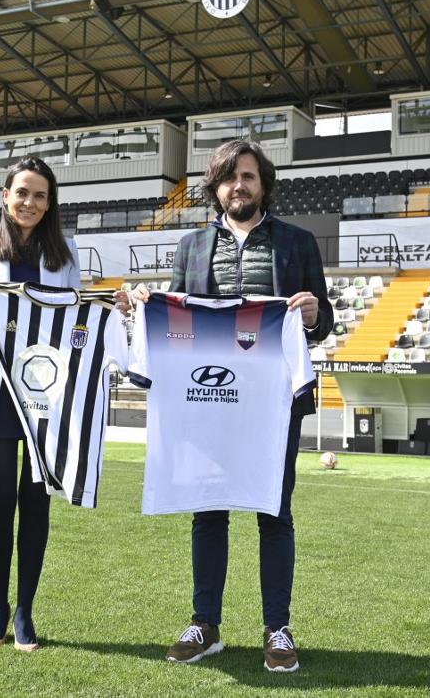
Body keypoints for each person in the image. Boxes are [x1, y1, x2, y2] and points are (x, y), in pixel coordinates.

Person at [116, 138, 332, 673]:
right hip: (206, 403)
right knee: (207, 512)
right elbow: (174, 322)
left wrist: (310, 315)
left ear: (264, 185)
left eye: (250, 176)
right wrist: (144, 307)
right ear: (216, 187)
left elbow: (323, 324)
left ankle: (277, 629)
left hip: (272, 406)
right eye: (230, 177)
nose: (240, 185)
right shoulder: (190, 247)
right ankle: (204, 624)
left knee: (273, 512)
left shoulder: (298, 243)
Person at [0, 156, 81, 652]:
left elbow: (75, 320)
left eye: (41, 195)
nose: (30, 202)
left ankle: (25, 609)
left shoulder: (65, 254)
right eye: (22, 192)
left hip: (45, 395)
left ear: (50, 204)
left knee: (36, 502)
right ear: (5, 196)